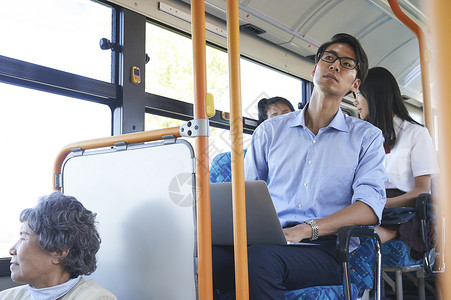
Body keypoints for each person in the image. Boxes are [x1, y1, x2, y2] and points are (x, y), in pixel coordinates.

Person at [212, 33, 387, 299]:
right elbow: (243, 196)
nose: (335, 66)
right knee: (205, 257)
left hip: (327, 251)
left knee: (259, 260)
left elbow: (369, 209)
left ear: (355, 84)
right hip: (270, 239)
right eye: (329, 58)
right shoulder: (271, 131)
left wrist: (305, 230)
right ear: (315, 68)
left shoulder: (367, 137)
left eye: (347, 64)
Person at [353, 66, 439, 246]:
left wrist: (382, 204)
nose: (355, 102)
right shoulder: (365, 138)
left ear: (375, 97)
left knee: (359, 240)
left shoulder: (416, 134)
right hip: (371, 208)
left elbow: (422, 190)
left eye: (359, 95)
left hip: (405, 214)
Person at [0, 192, 117, 300]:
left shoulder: (96, 297)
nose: (12, 250)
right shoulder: (7, 296)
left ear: (59, 251)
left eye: (23, 238)